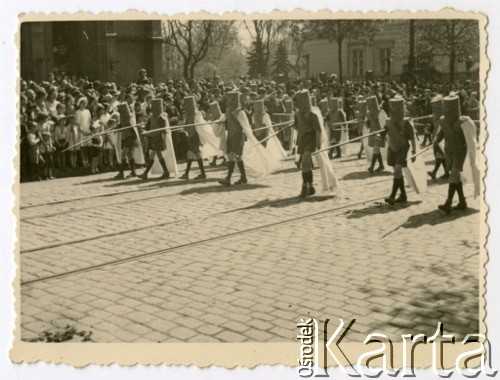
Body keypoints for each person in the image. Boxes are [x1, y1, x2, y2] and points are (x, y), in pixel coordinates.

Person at [434, 95, 469, 213]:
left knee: (453, 175)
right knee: (455, 177)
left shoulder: (463, 121)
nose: (448, 111)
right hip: (449, 151)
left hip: (460, 151)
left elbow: (470, 138)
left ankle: (448, 203)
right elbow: (441, 134)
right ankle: (462, 202)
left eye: (450, 109)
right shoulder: (442, 120)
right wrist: (436, 140)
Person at [380, 97, 417, 205]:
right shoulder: (388, 121)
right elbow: (383, 133)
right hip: (392, 148)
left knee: (397, 171)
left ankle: (392, 196)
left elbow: (412, 138)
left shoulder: (406, 122)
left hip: (402, 148)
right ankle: (403, 195)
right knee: (397, 173)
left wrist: (414, 151)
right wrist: (379, 135)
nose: (393, 111)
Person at [293, 90, 322, 198]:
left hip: (311, 139)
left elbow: (318, 130)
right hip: (302, 139)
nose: (297, 104)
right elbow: (296, 127)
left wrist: (318, 144)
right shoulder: (297, 114)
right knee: (305, 165)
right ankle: (310, 186)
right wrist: (294, 125)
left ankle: (305, 186)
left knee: (305, 159)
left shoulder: (312, 115)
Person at [218, 91, 247, 186]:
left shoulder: (240, 111)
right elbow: (223, 119)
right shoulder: (227, 110)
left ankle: (228, 178)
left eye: (232, 99)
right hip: (230, 136)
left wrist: (243, 138)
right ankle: (244, 177)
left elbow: (245, 126)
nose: (229, 102)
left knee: (231, 156)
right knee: (238, 157)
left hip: (238, 137)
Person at [139, 99, 171, 180]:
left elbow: (164, 131)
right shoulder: (151, 117)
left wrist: (164, 142)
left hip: (158, 138)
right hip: (153, 138)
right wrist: (140, 127)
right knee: (154, 155)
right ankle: (165, 172)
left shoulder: (161, 118)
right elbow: (147, 128)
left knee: (154, 154)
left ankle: (146, 173)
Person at [180, 96, 206, 180]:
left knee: (190, 153)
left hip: (195, 136)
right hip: (191, 136)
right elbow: (186, 126)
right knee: (196, 154)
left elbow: (200, 126)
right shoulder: (189, 114)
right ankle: (202, 174)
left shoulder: (196, 114)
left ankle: (187, 173)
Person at [427, 96, 449, 180]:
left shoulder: (444, 115)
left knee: (439, 155)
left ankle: (434, 172)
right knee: (440, 156)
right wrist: (430, 126)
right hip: (436, 136)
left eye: (436, 107)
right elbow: (434, 125)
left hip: (442, 138)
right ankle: (446, 172)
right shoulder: (435, 115)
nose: (434, 109)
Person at [366, 96, 386, 173]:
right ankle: (381, 165)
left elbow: (384, 124)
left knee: (375, 149)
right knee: (376, 149)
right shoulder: (369, 114)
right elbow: (368, 125)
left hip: (380, 133)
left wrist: (384, 134)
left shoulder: (381, 112)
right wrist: (367, 122)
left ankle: (372, 166)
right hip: (373, 133)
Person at [75, 97, 92, 168]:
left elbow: (90, 121)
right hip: (81, 132)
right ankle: (83, 162)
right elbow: (78, 123)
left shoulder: (88, 111)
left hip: (87, 130)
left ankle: (87, 161)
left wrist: (89, 131)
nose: (84, 105)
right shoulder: (77, 112)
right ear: (79, 104)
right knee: (82, 147)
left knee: (87, 147)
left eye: (85, 103)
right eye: (82, 103)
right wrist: (82, 131)